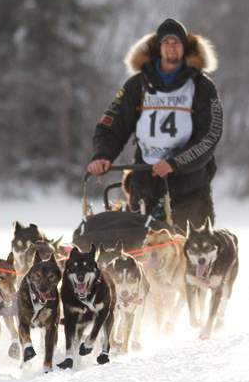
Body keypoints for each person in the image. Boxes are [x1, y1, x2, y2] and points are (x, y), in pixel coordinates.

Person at [87, 18, 223, 229]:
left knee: (189, 254)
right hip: (145, 182)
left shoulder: (201, 86)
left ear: (184, 47)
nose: (171, 47)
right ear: (158, 47)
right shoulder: (137, 84)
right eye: (166, 42)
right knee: (140, 252)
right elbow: (111, 125)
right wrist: (102, 155)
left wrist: (175, 163)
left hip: (189, 186)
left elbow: (210, 135)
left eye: (176, 42)